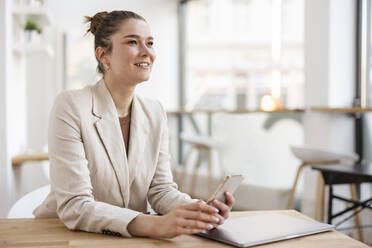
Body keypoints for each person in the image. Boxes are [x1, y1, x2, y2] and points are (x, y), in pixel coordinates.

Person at [33, 10, 235, 238]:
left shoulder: (155, 112)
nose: (147, 52)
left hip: (129, 238)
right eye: (132, 42)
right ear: (103, 56)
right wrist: (155, 225)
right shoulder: (71, 106)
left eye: (150, 43)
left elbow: (160, 190)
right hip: (64, 236)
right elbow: (75, 205)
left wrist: (196, 210)